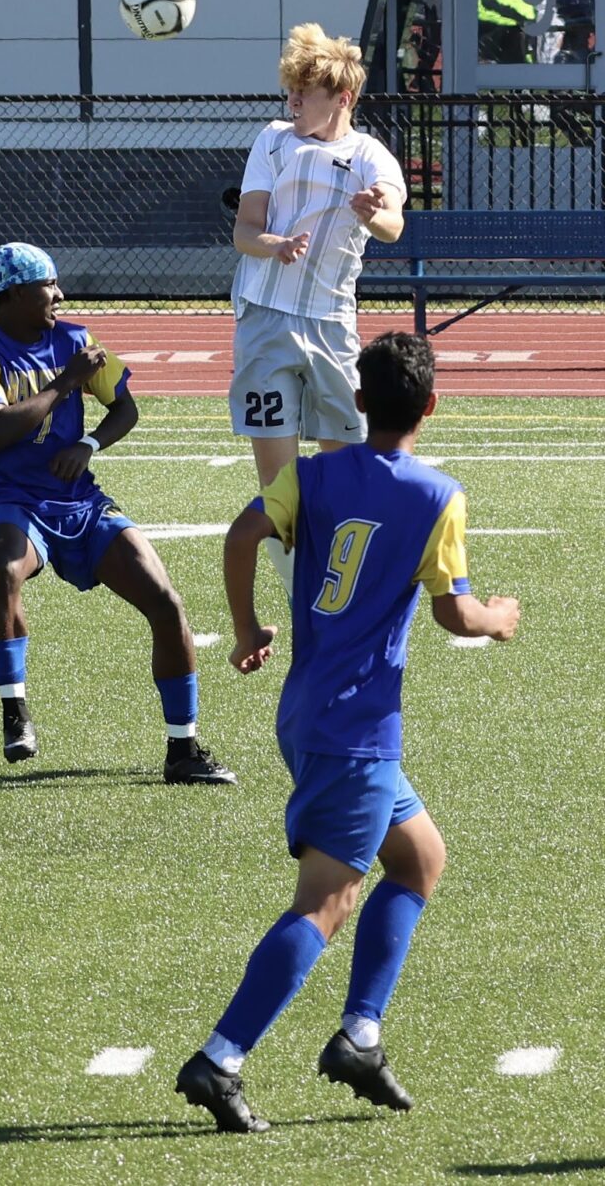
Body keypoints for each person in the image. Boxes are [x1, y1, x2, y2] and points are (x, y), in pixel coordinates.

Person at [177, 331, 520, 1133]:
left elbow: (241, 537)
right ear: (432, 405)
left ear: (359, 402)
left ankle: (360, 1037)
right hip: (357, 727)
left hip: (308, 711)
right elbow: (453, 613)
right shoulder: (439, 495)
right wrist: (498, 619)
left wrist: (246, 627)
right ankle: (221, 1059)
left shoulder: (312, 473)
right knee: (327, 900)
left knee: (420, 858)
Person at [0, 242, 234, 784]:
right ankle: (15, 712)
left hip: (80, 502)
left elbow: (125, 408)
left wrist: (88, 445)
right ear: (12, 294)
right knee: (5, 566)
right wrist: (66, 382)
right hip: (16, 500)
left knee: (166, 601)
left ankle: (183, 749)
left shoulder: (76, 339)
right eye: (48, 285)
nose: (59, 295)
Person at [231, 24, 406, 592]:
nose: (293, 101)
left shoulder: (369, 155)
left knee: (349, 475)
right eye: (291, 91)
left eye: (305, 92)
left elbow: (393, 224)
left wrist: (373, 213)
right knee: (279, 486)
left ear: (342, 98)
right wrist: (275, 245)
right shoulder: (273, 141)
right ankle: (303, 603)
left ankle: (348, 590)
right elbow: (245, 231)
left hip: (332, 329)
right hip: (265, 322)